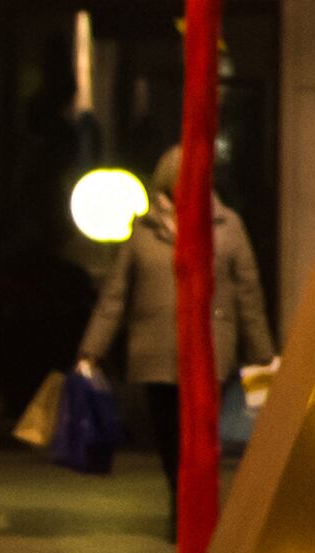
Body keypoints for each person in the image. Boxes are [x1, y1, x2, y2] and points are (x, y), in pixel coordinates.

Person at [78, 190, 275, 474]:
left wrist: (261, 351)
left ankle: (198, 501)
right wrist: (92, 350)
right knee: (168, 434)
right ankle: (179, 501)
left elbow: (247, 292)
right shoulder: (144, 232)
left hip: (210, 347)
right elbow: (116, 295)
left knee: (201, 434)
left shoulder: (226, 226)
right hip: (155, 351)